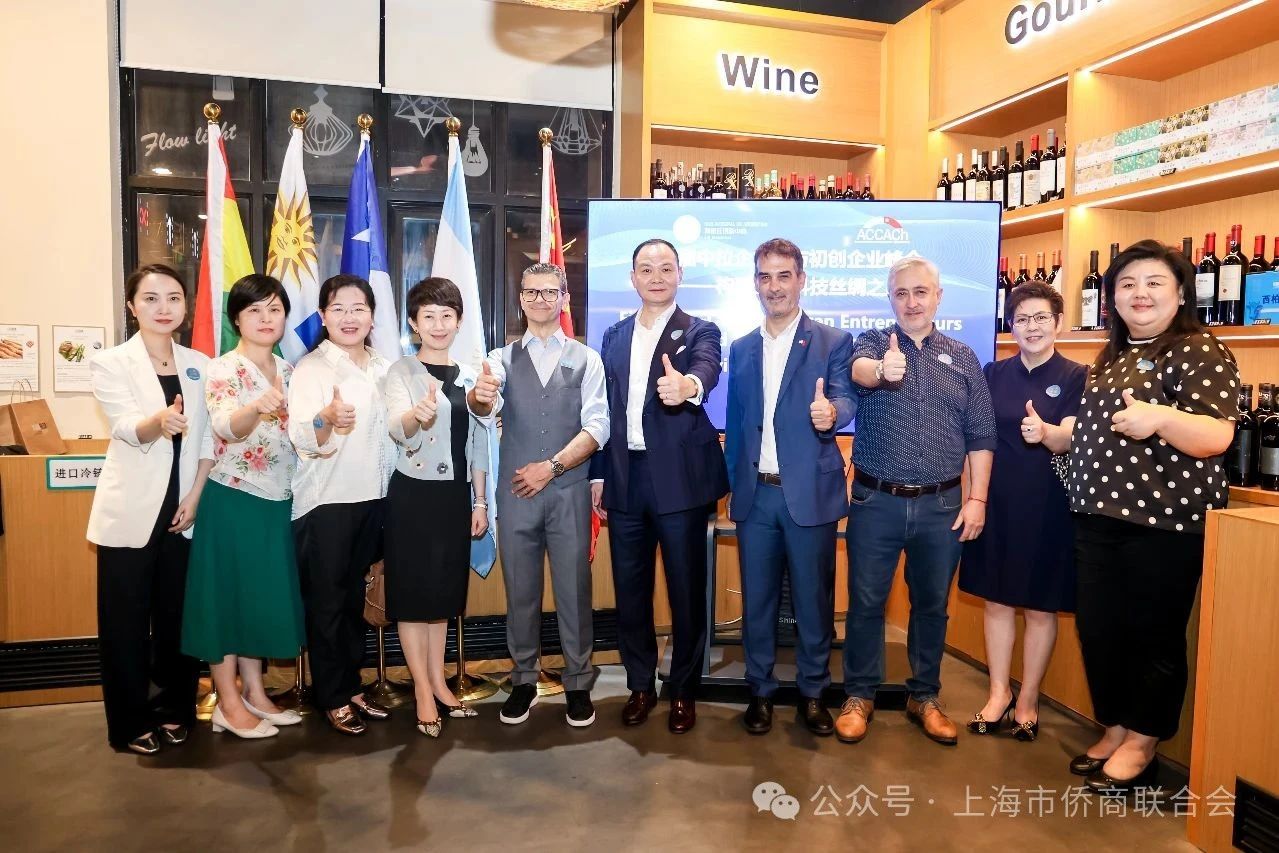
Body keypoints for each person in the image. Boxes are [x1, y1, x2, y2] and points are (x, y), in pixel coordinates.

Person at [1067, 240, 1237, 793]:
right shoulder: (1112, 354)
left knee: (1152, 636)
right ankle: (1116, 726)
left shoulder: (1199, 349)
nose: (1140, 293)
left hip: (1163, 524)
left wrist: (1161, 417)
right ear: (1112, 298)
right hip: (1097, 518)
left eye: (1154, 282)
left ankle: (1143, 740)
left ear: (1181, 293)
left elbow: (1216, 435)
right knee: (1100, 630)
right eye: (1127, 284)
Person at [841, 256, 996, 746]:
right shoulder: (872, 342)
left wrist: (977, 498)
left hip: (942, 506)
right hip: (876, 501)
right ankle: (858, 696)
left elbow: (982, 435)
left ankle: (924, 696)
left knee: (931, 605)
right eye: (901, 293)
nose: (911, 302)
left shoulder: (964, 357)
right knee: (866, 603)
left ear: (938, 297)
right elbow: (860, 372)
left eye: (920, 292)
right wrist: (882, 370)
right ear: (891, 299)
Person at [588, 239, 729, 734]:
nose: (656, 276)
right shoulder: (613, 335)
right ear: (632, 277)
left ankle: (683, 690)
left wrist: (688, 386)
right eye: (646, 269)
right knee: (631, 590)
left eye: (665, 268)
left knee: (686, 589)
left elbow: (707, 367)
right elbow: (603, 408)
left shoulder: (700, 329)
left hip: (679, 480)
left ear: (679, 274)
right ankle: (640, 685)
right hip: (625, 477)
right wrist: (599, 473)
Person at [724, 237, 855, 737]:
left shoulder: (832, 341)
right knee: (757, 601)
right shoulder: (741, 348)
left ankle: (813, 694)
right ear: (755, 283)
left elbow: (845, 399)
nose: (774, 286)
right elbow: (737, 424)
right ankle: (759, 692)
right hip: (756, 496)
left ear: (801, 280)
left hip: (809, 497)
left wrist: (832, 413)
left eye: (784, 276)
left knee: (812, 602)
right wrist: (733, 487)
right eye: (765, 276)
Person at [468, 262, 609, 728]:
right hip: (516, 495)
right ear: (521, 299)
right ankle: (524, 679)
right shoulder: (499, 359)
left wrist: (552, 468)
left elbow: (598, 426)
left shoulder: (587, 359)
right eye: (532, 292)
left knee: (574, 591)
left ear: (564, 298)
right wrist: (479, 396)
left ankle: (578, 683)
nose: (541, 300)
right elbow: (483, 406)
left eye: (551, 292)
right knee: (521, 592)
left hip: (567, 491)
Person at [87, 263, 215, 755]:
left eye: (174, 298)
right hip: (131, 511)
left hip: (183, 509)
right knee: (124, 622)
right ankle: (129, 723)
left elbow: (207, 441)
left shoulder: (199, 363)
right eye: (151, 298)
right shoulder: (111, 362)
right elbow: (124, 427)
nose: (164, 308)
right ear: (132, 306)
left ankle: (175, 710)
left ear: (186, 306)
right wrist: (157, 422)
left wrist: (195, 497)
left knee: (176, 618)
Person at [181, 274, 307, 740]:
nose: (266, 318)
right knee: (225, 600)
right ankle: (227, 702)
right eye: (255, 310)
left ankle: (255, 692)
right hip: (233, 497)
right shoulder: (223, 369)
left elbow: (303, 438)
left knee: (256, 600)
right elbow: (225, 428)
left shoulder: (291, 371)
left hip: (278, 499)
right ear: (237, 319)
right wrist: (256, 406)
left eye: (275, 309)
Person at [959, 281, 1086, 741]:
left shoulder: (1077, 375)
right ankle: (998, 694)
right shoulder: (992, 373)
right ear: (1011, 325)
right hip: (996, 501)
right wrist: (973, 496)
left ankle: (1028, 700)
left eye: (1041, 318)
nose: (1032, 327)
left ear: (1058, 322)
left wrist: (1047, 432)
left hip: (1049, 505)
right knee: (996, 599)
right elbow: (976, 437)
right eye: (1023, 319)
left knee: (1039, 607)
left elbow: (1071, 435)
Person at [287, 274, 396, 736]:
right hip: (327, 502)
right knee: (328, 603)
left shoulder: (385, 367)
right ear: (323, 316)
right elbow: (301, 437)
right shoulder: (311, 369)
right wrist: (326, 419)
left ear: (372, 316)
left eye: (358, 308)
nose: (349, 318)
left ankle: (352, 687)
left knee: (355, 600)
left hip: (375, 499)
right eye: (338, 309)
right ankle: (331, 696)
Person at [383, 277, 489, 738]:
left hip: (454, 496)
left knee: (442, 597)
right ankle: (423, 691)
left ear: (459, 321)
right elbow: (396, 427)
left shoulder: (471, 375)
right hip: (413, 494)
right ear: (414, 323)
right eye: (429, 316)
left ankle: (441, 683)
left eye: (447, 315)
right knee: (413, 597)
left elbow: (479, 442)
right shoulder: (401, 372)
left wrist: (479, 500)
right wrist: (416, 416)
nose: (439, 324)